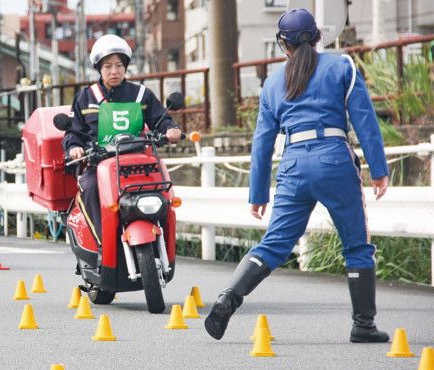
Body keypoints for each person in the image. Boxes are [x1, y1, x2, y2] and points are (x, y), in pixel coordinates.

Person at [204, 9, 390, 343]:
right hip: (334, 159)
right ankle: (364, 325)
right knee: (356, 245)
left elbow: (261, 143)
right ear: (318, 36)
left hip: (293, 165)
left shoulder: (272, 84)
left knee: (274, 244)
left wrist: (258, 194)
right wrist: (379, 169)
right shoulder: (342, 66)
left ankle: (229, 297)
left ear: (282, 44)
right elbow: (365, 120)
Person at [62, 34, 182, 247]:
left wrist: (171, 129)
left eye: (119, 65)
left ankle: (162, 240)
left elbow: (160, 120)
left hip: (139, 162)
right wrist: (74, 147)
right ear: (99, 68)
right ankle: (103, 243)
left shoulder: (142, 95)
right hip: (98, 163)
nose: (114, 71)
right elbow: (73, 132)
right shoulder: (85, 97)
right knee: (88, 187)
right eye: (107, 66)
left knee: (164, 188)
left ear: (126, 67)